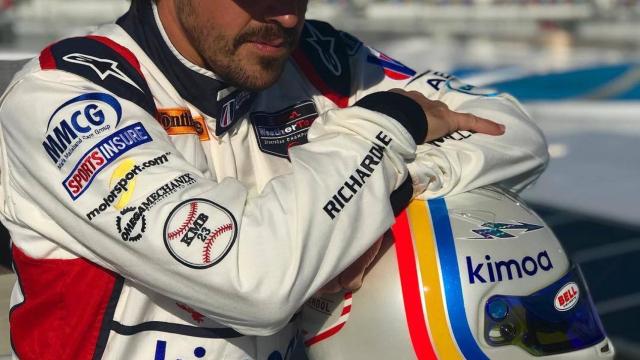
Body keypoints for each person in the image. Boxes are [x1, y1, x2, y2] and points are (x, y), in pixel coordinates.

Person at [0, 0, 548, 358]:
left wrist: (399, 183)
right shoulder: (65, 94)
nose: (285, 18)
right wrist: (385, 131)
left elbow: (510, 128)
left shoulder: (321, 57)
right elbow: (251, 279)